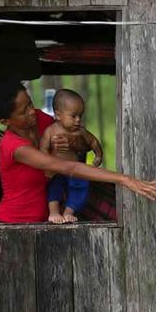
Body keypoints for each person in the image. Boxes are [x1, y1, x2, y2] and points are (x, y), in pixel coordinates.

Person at [0, 79, 156, 223]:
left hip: (48, 220)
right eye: (23, 112)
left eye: (30, 103)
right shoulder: (13, 146)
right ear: (5, 121)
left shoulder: (41, 119)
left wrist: (73, 143)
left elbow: (80, 148)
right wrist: (124, 179)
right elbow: (67, 168)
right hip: (13, 224)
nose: (32, 112)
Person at [39, 89, 103, 224]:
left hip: (75, 170)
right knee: (53, 190)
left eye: (81, 115)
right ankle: (54, 212)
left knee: (81, 187)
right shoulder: (50, 131)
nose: (78, 120)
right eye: (73, 116)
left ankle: (69, 211)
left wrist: (98, 155)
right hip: (56, 170)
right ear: (58, 115)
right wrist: (47, 167)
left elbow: (93, 142)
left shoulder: (80, 132)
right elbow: (43, 149)